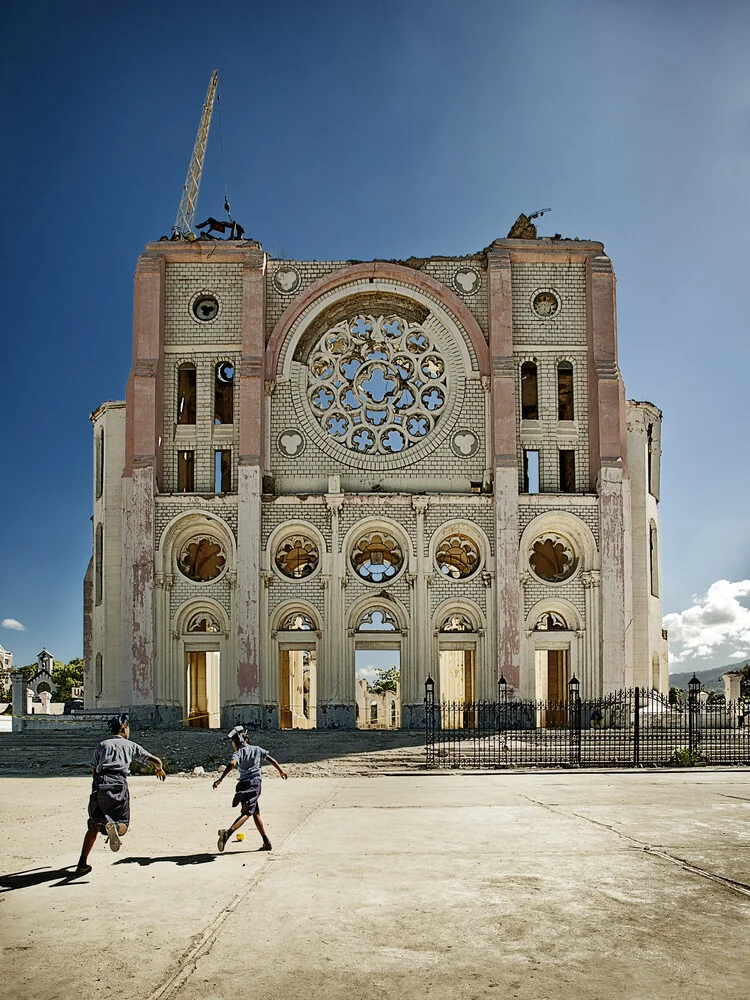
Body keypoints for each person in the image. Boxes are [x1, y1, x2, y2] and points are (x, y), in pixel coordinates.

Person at [74, 713, 165, 877]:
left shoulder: (102, 745)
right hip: (118, 782)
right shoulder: (130, 745)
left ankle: (82, 863)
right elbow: (155, 759)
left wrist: (99, 786)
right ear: (124, 727)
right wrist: (159, 768)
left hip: (100, 783)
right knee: (123, 822)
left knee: (93, 824)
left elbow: (94, 770)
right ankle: (114, 828)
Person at [213, 725, 287, 852]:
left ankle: (266, 842)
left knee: (255, 812)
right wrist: (281, 771)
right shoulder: (257, 749)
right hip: (255, 784)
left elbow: (232, 764)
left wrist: (220, 779)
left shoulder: (238, 752)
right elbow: (271, 760)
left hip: (243, 784)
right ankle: (228, 833)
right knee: (247, 813)